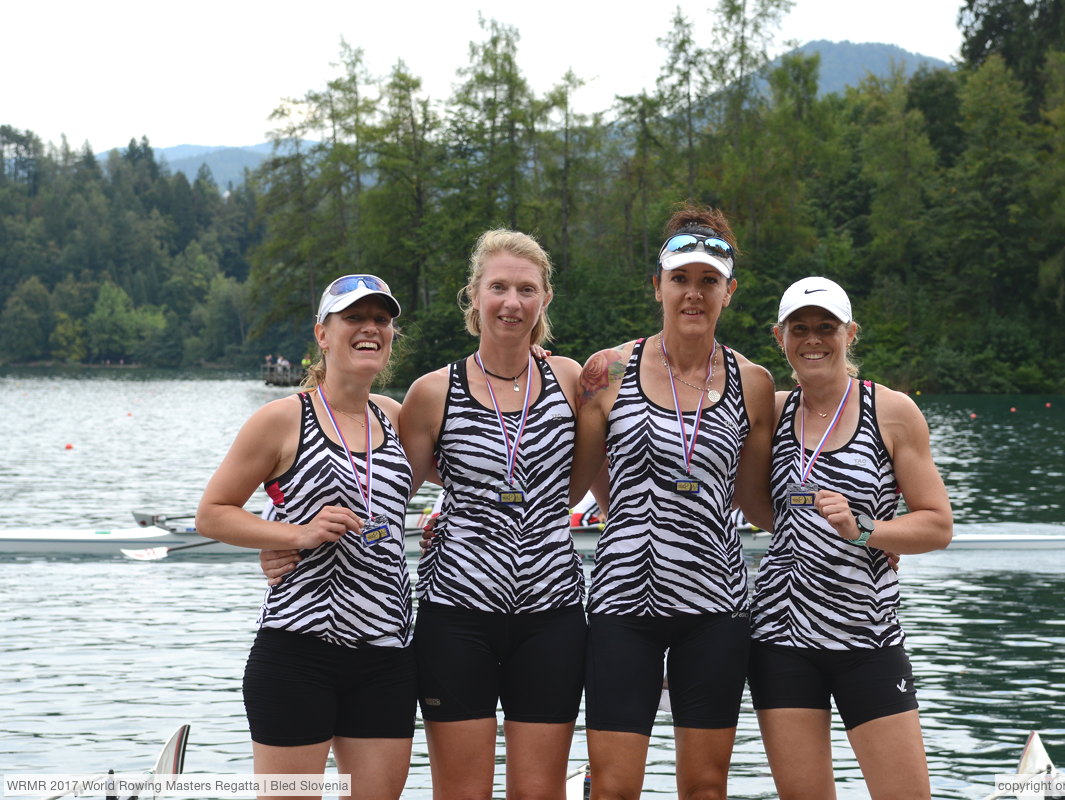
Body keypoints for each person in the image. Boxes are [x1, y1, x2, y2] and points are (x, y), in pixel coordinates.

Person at [572, 205, 776, 799]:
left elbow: (760, 502)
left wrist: (865, 537)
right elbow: (578, 483)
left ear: (729, 292)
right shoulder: (607, 372)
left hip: (715, 608)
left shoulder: (753, 382)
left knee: (707, 786)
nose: (694, 294)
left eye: (708, 281)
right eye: (681, 279)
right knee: (612, 786)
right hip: (623, 601)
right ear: (657, 285)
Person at [196, 275, 416, 800]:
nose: (370, 329)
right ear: (322, 333)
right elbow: (212, 513)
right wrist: (292, 534)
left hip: (387, 654)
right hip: (299, 651)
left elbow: (475, 472)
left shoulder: (395, 416)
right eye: (353, 319)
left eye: (381, 320)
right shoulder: (281, 419)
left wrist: (524, 355)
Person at [741, 276, 954, 800]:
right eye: (800, 328)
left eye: (826, 327)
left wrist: (869, 533)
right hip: (781, 639)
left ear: (849, 333)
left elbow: (937, 523)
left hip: (868, 638)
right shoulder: (773, 410)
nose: (813, 338)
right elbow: (754, 503)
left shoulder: (893, 411)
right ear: (780, 337)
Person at [398, 229, 588, 800]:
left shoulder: (573, 379)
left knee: (537, 792)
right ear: (474, 295)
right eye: (498, 287)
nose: (512, 302)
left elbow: (589, 480)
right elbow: (383, 494)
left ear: (545, 299)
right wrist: (287, 541)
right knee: (461, 792)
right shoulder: (433, 393)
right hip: (456, 615)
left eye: (526, 289)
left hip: (551, 613)